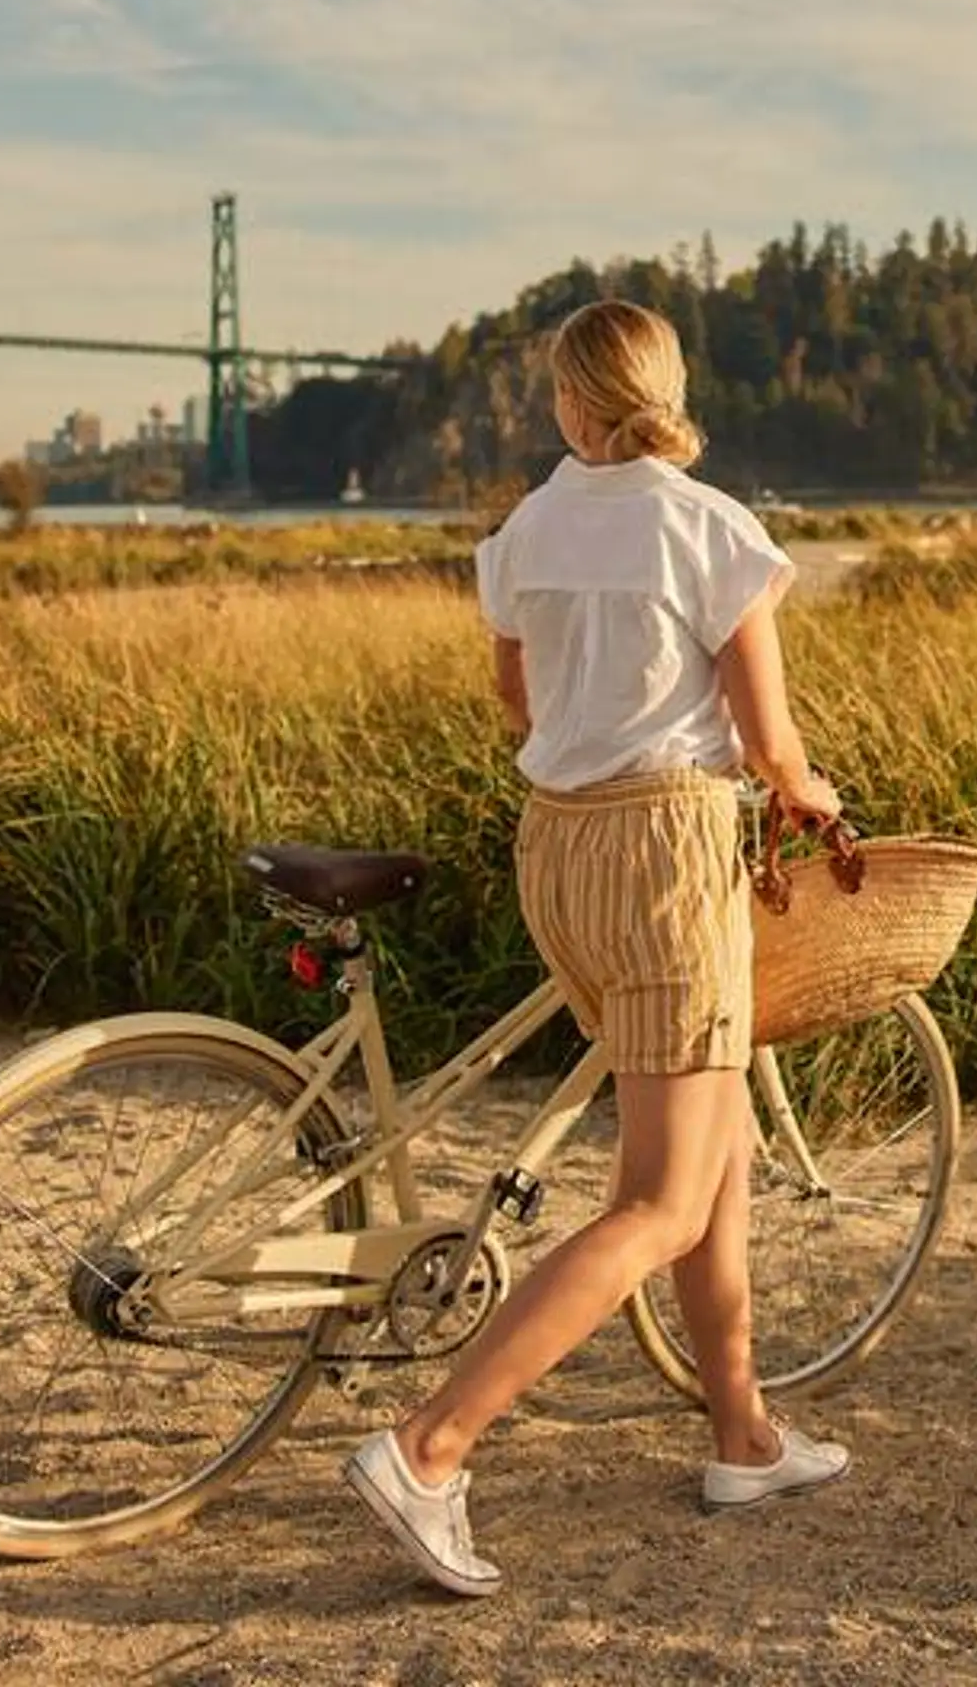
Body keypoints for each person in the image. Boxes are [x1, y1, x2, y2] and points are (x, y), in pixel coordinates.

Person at [343, 297, 851, 1596]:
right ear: (664, 391)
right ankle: (430, 1448)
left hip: (558, 850)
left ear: (570, 403)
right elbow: (767, 739)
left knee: (711, 1136)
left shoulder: (527, 528)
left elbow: (515, 692)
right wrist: (810, 797)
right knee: (660, 1203)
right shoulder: (709, 528)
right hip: (668, 853)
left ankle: (742, 1434)